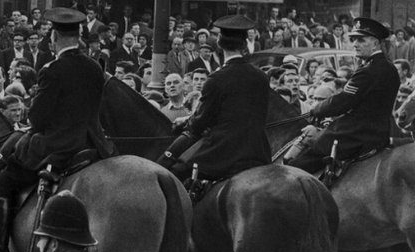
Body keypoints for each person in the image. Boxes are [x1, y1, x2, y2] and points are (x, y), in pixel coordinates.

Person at [0, 7, 113, 252]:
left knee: (2, 181)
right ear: (79, 37)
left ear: (54, 38)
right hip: (91, 142)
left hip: (57, 144)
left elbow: (37, 119)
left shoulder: (52, 69)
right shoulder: (95, 67)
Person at [158, 15, 271, 182]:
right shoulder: (261, 76)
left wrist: (186, 122)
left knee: (174, 174)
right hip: (258, 150)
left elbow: (199, 124)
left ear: (219, 41)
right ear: (245, 44)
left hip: (223, 152)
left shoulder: (217, 79)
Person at [289, 17, 400, 174]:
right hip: (379, 132)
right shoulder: (389, 68)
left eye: (361, 40)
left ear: (375, 43)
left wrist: (316, 109)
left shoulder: (369, 70)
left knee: (302, 163)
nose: (355, 44)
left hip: (356, 133)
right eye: (354, 40)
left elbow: (343, 101)